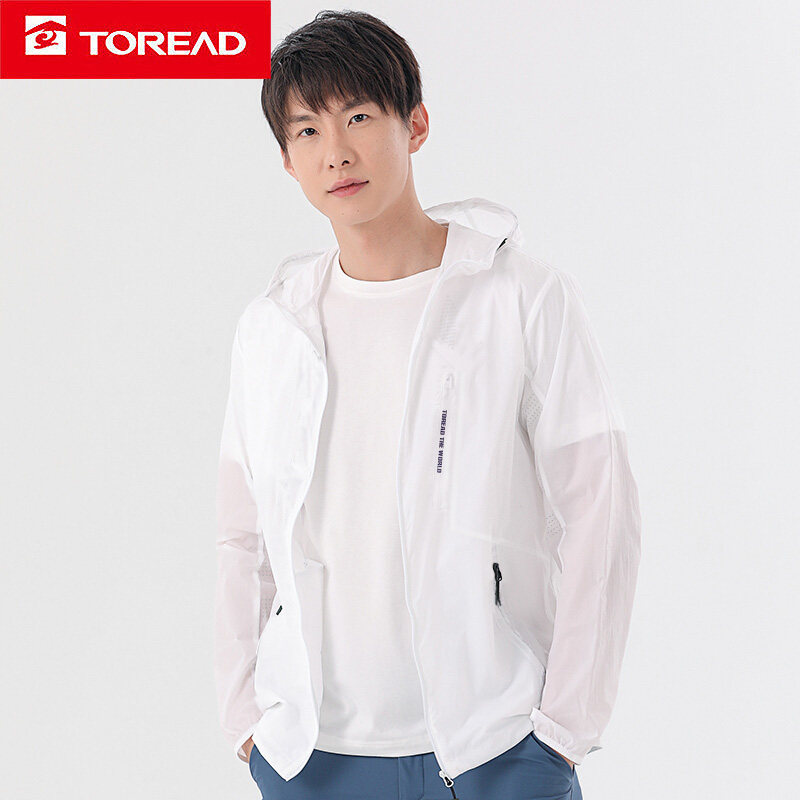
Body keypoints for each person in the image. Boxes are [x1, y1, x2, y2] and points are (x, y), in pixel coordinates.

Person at [214, 10, 642, 800]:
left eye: (358, 117)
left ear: (415, 124)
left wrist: (562, 730)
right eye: (307, 130)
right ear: (286, 159)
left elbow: (601, 514)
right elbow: (243, 537)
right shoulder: (272, 328)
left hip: (496, 748)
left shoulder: (520, 296)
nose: (336, 151)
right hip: (314, 758)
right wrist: (245, 715)